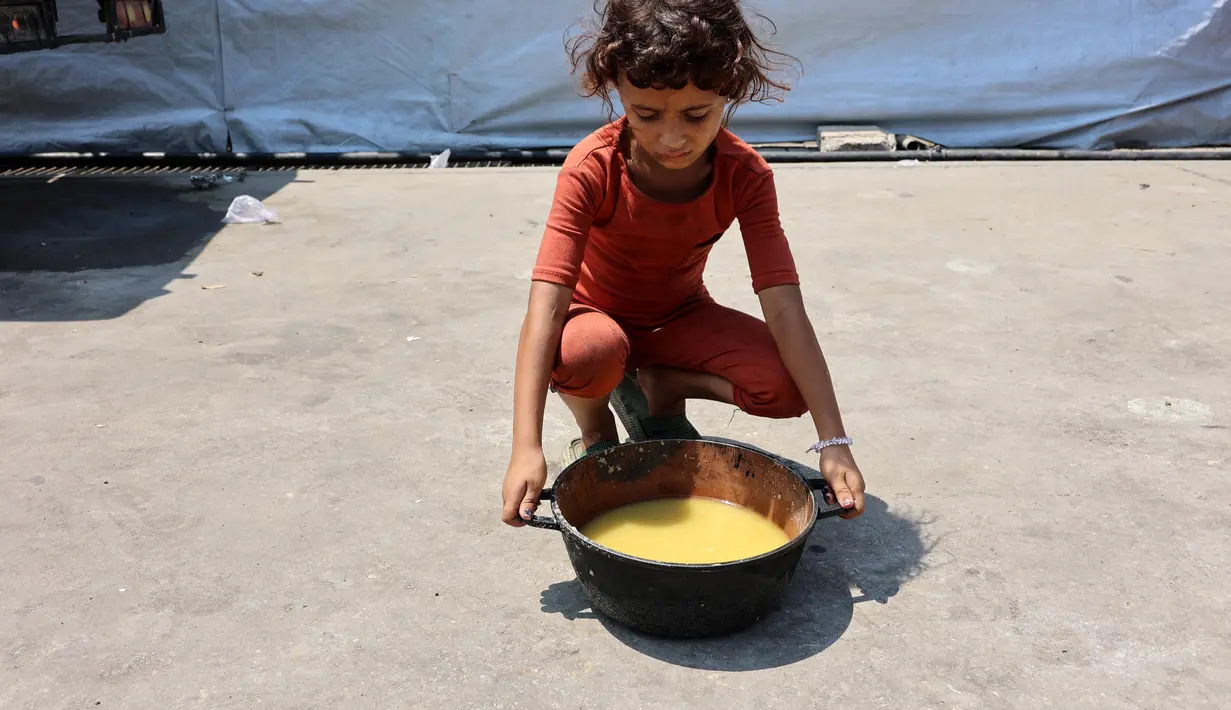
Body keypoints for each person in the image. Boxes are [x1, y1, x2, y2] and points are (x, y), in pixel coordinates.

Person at [500, 0, 867, 527]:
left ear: (730, 94)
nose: (673, 138)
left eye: (697, 115)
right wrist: (525, 446)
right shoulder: (591, 168)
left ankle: (661, 385)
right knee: (588, 353)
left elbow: (785, 307)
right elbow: (547, 304)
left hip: (678, 317)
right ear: (616, 90)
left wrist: (834, 440)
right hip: (592, 317)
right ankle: (596, 426)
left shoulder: (746, 174)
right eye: (646, 114)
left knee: (787, 388)